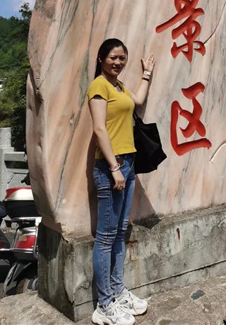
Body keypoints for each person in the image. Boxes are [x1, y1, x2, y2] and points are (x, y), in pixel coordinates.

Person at [88, 38, 155, 325]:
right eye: (113, 57)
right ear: (101, 58)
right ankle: (104, 305)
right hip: (110, 167)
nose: (117, 62)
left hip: (128, 165)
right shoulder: (99, 86)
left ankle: (117, 291)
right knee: (105, 237)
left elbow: (137, 101)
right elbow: (99, 129)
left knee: (119, 233)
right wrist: (114, 167)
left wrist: (146, 74)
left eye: (122, 58)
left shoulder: (118, 86)